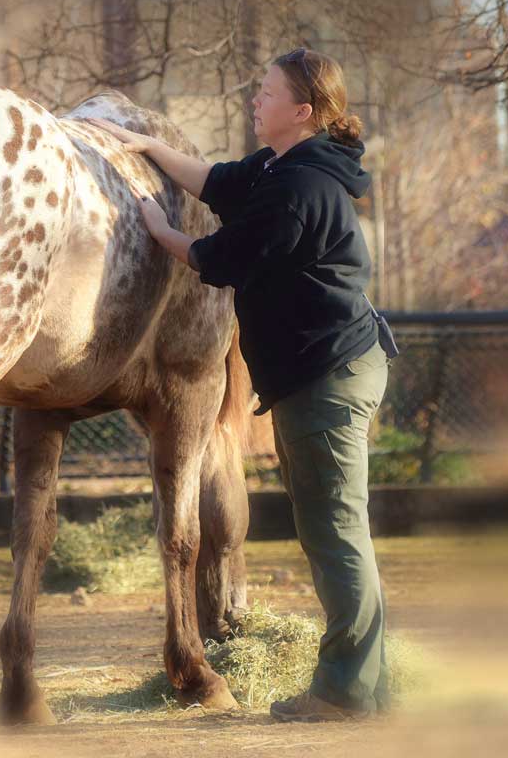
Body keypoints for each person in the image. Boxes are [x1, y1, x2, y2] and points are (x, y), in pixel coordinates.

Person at [88, 47, 391, 722]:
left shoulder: (298, 188)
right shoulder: (284, 165)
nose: (256, 100)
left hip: (328, 375)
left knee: (335, 534)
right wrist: (147, 145)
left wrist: (159, 227)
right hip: (325, 368)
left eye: (266, 92)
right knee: (339, 533)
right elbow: (218, 181)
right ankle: (371, 684)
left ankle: (345, 692)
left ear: (302, 112)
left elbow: (216, 257)